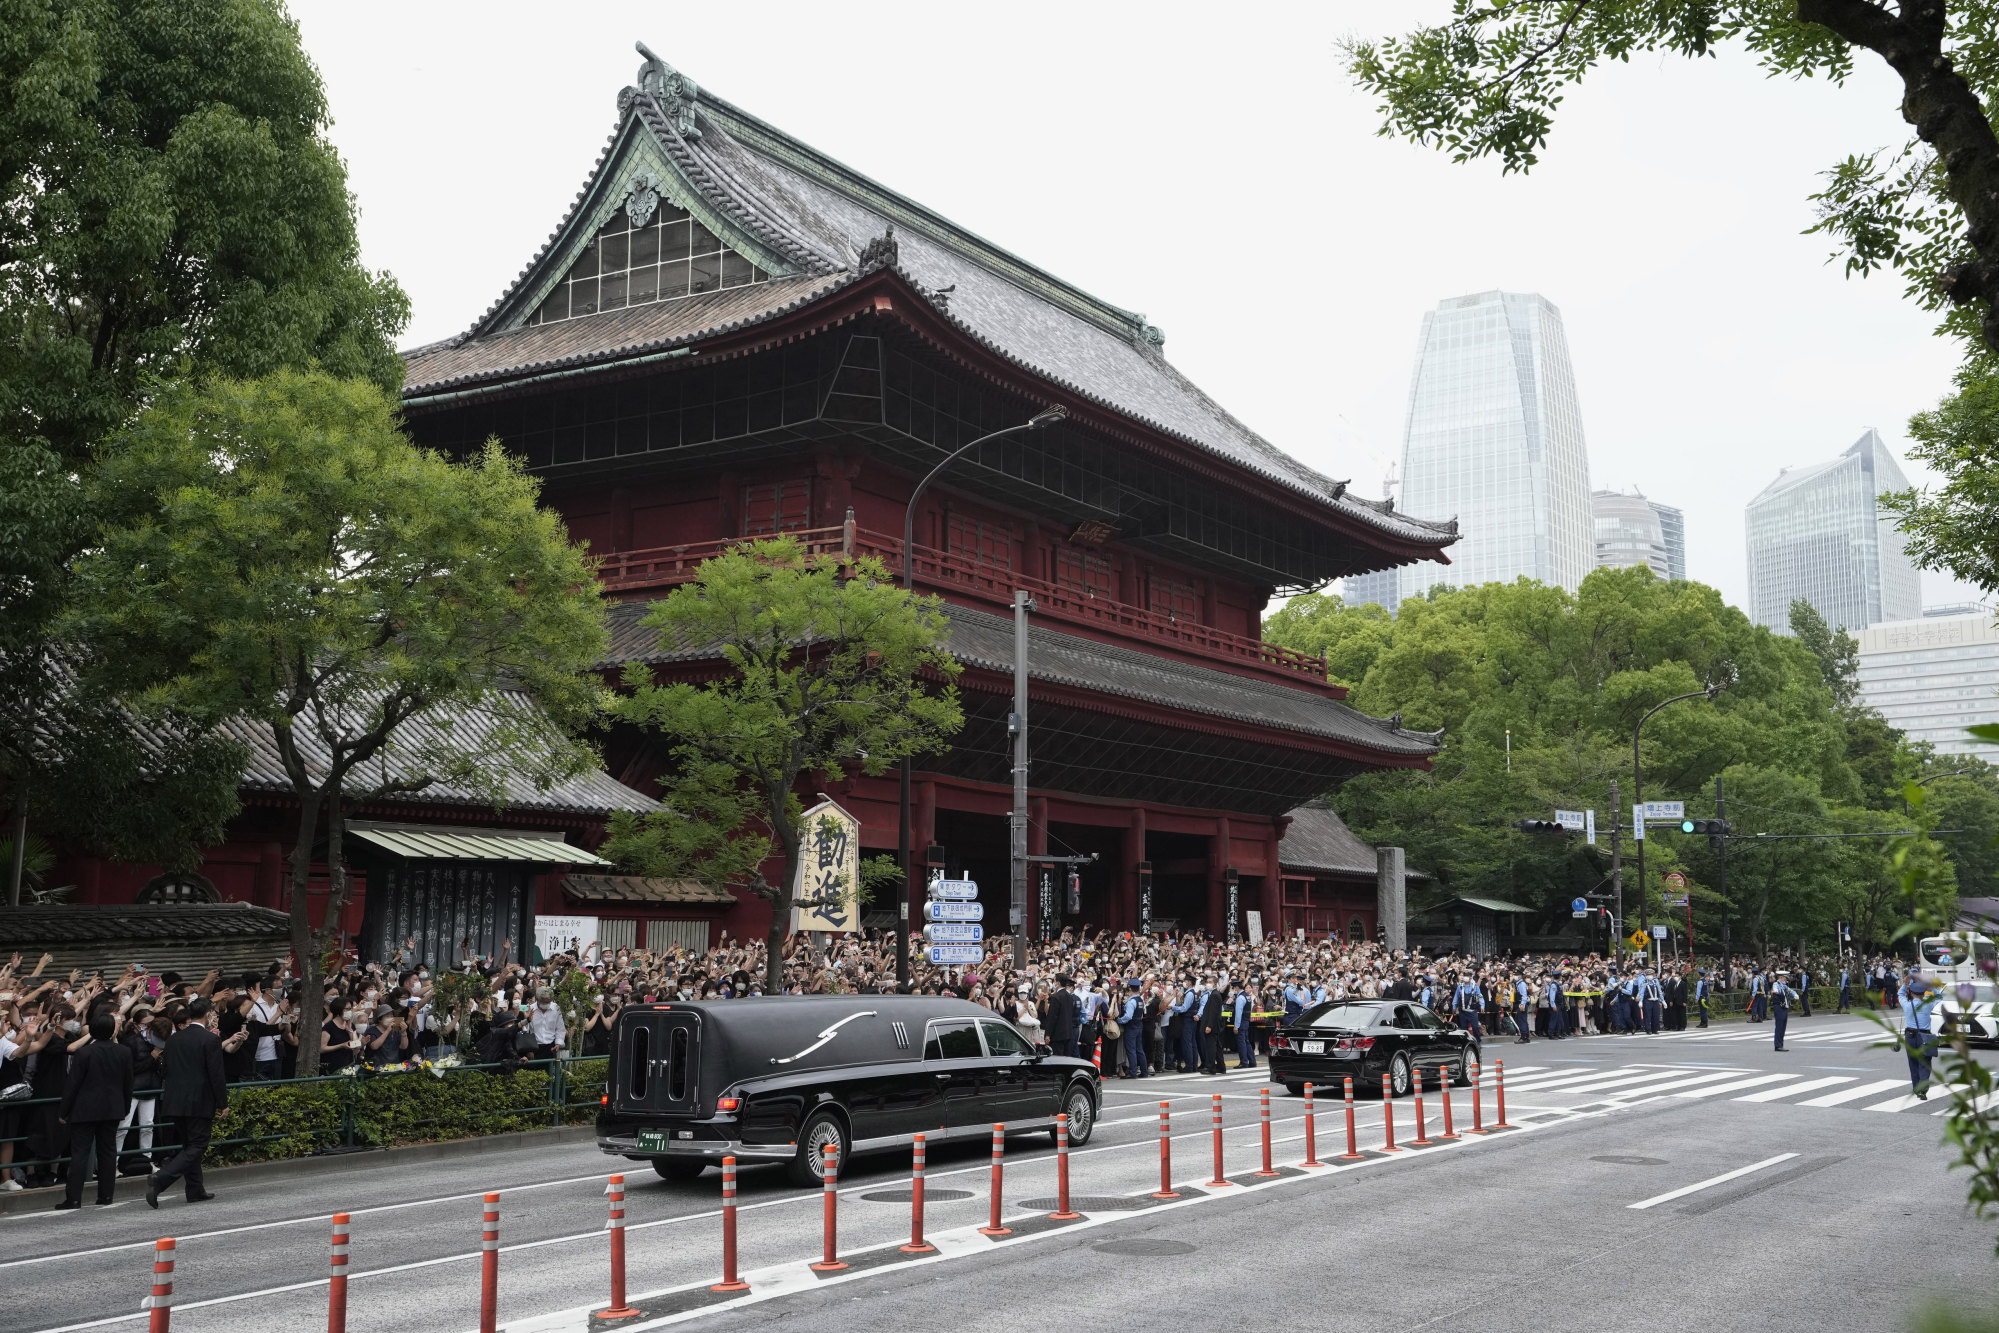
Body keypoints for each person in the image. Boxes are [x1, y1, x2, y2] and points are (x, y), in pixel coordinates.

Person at [148, 998, 227, 1208]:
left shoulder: (174, 1039)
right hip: (199, 1100)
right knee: (198, 1145)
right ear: (208, 1014)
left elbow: (166, 1069)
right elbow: (216, 1074)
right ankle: (162, 1178)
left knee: (188, 1145)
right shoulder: (210, 1040)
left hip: (175, 1100)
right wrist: (223, 1102)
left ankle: (195, 1189)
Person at [55, 1013, 134, 1210]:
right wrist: (125, 1107)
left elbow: (72, 1085)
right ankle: (106, 1196)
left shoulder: (84, 1053)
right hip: (113, 1108)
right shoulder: (124, 1052)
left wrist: (64, 1111)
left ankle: (73, 1198)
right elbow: (128, 1084)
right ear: (112, 1030)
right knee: (108, 1153)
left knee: (80, 1153)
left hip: (85, 1109)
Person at [1901, 977, 1938, 1098]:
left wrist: (1905, 984)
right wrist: (1931, 986)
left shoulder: (1907, 1005)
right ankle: (1923, 1090)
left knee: (1913, 1063)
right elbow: (1939, 997)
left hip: (1910, 1036)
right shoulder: (1928, 1004)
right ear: (1924, 993)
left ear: (1911, 993)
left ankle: (1916, 1088)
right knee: (1925, 1063)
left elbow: (1900, 994)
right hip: (1925, 1037)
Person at [1044, 975, 1080, 1059]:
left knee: (1057, 1059)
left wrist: (1048, 1034)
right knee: (1066, 1058)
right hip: (1068, 1033)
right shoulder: (1069, 997)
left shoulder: (1056, 997)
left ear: (1058, 983)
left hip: (1057, 1034)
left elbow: (1052, 1017)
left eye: (1055, 980)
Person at [1769, 970, 1798, 1051]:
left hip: (1784, 1007)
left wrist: (1795, 994)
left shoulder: (1783, 986)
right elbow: (1775, 990)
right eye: (1785, 978)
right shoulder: (1776, 984)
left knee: (1783, 1026)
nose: (1786, 979)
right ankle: (1778, 1045)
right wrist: (1776, 991)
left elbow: (1790, 990)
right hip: (1779, 1007)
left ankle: (1780, 1044)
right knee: (1779, 1026)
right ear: (1781, 977)